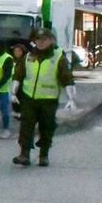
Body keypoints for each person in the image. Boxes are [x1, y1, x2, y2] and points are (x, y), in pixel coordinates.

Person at [12, 28, 77, 168]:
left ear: (51, 40)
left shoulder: (58, 58)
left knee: (47, 126)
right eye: (38, 39)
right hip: (29, 98)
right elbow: (18, 75)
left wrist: (71, 98)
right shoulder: (28, 57)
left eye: (44, 39)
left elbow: (67, 78)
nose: (40, 42)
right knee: (26, 125)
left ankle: (44, 154)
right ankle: (24, 154)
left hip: (49, 99)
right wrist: (13, 92)